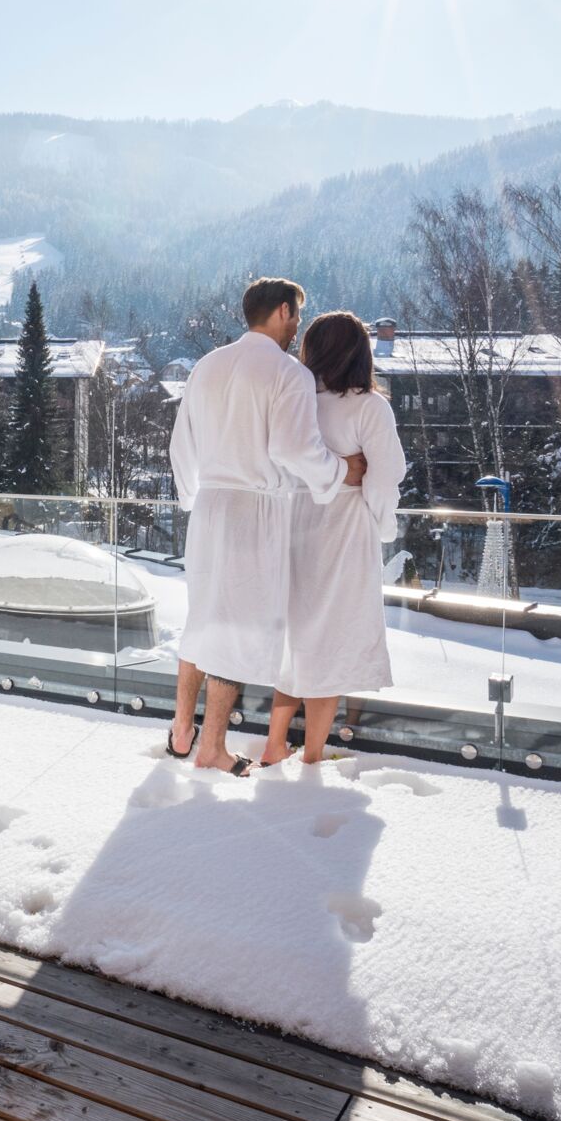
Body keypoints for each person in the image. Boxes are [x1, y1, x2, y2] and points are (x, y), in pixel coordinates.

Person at [168, 278, 366, 775]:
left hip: (209, 507)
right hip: (254, 511)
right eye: (296, 315)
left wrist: (195, 496)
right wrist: (343, 471)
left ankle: (180, 731)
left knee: (204, 618)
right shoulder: (287, 373)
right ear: (282, 311)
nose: (297, 325)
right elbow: (292, 449)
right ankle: (212, 748)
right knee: (237, 630)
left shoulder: (206, 366)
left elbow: (181, 447)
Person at [266, 310, 408, 765]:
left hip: (294, 525)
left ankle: (273, 744)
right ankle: (311, 755)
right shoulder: (369, 407)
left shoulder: (296, 402)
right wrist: (383, 527)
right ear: (360, 353)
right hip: (345, 534)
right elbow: (385, 479)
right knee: (331, 644)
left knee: (298, 637)